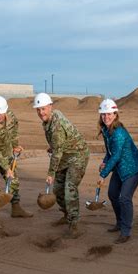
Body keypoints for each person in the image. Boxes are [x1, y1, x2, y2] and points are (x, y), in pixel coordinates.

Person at [34, 93, 89, 239]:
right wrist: (54, 147)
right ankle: (66, 215)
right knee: (58, 190)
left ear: (50, 107)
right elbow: (58, 146)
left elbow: (58, 151)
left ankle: (74, 224)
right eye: (38, 110)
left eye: (43, 109)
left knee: (69, 188)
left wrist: (51, 173)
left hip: (78, 155)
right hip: (65, 155)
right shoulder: (50, 120)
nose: (41, 112)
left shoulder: (56, 125)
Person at [97, 99, 138, 244]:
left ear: (115, 114)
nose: (106, 117)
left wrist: (103, 174)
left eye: (109, 114)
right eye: (103, 114)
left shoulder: (118, 132)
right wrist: (105, 161)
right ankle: (119, 222)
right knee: (112, 194)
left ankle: (126, 231)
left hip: (133, 168)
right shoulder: (106, 130)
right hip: (120, 168)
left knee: (125, 198)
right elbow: (111, 152)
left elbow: (117, 155)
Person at [0, 96, 33, 229]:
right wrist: (6, 168)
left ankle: (16, 209)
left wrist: (15, 146)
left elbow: (14, 132)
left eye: (1, 112)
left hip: (7, 153)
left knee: (14, 182)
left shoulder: (11, 117)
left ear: (6, 110)